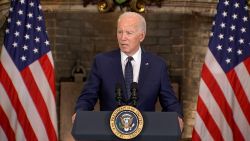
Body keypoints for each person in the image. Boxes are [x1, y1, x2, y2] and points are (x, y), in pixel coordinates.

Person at [72, 12, 184, 131]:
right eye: (120, 32)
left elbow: (170, 102)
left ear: (141, 36)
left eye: (128, 33)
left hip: (146, 133)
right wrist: (80, 113)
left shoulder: (157, 65)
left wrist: (177, 116)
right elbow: (88, 97)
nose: (122, 37)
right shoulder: (101, 62)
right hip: (108, 133)